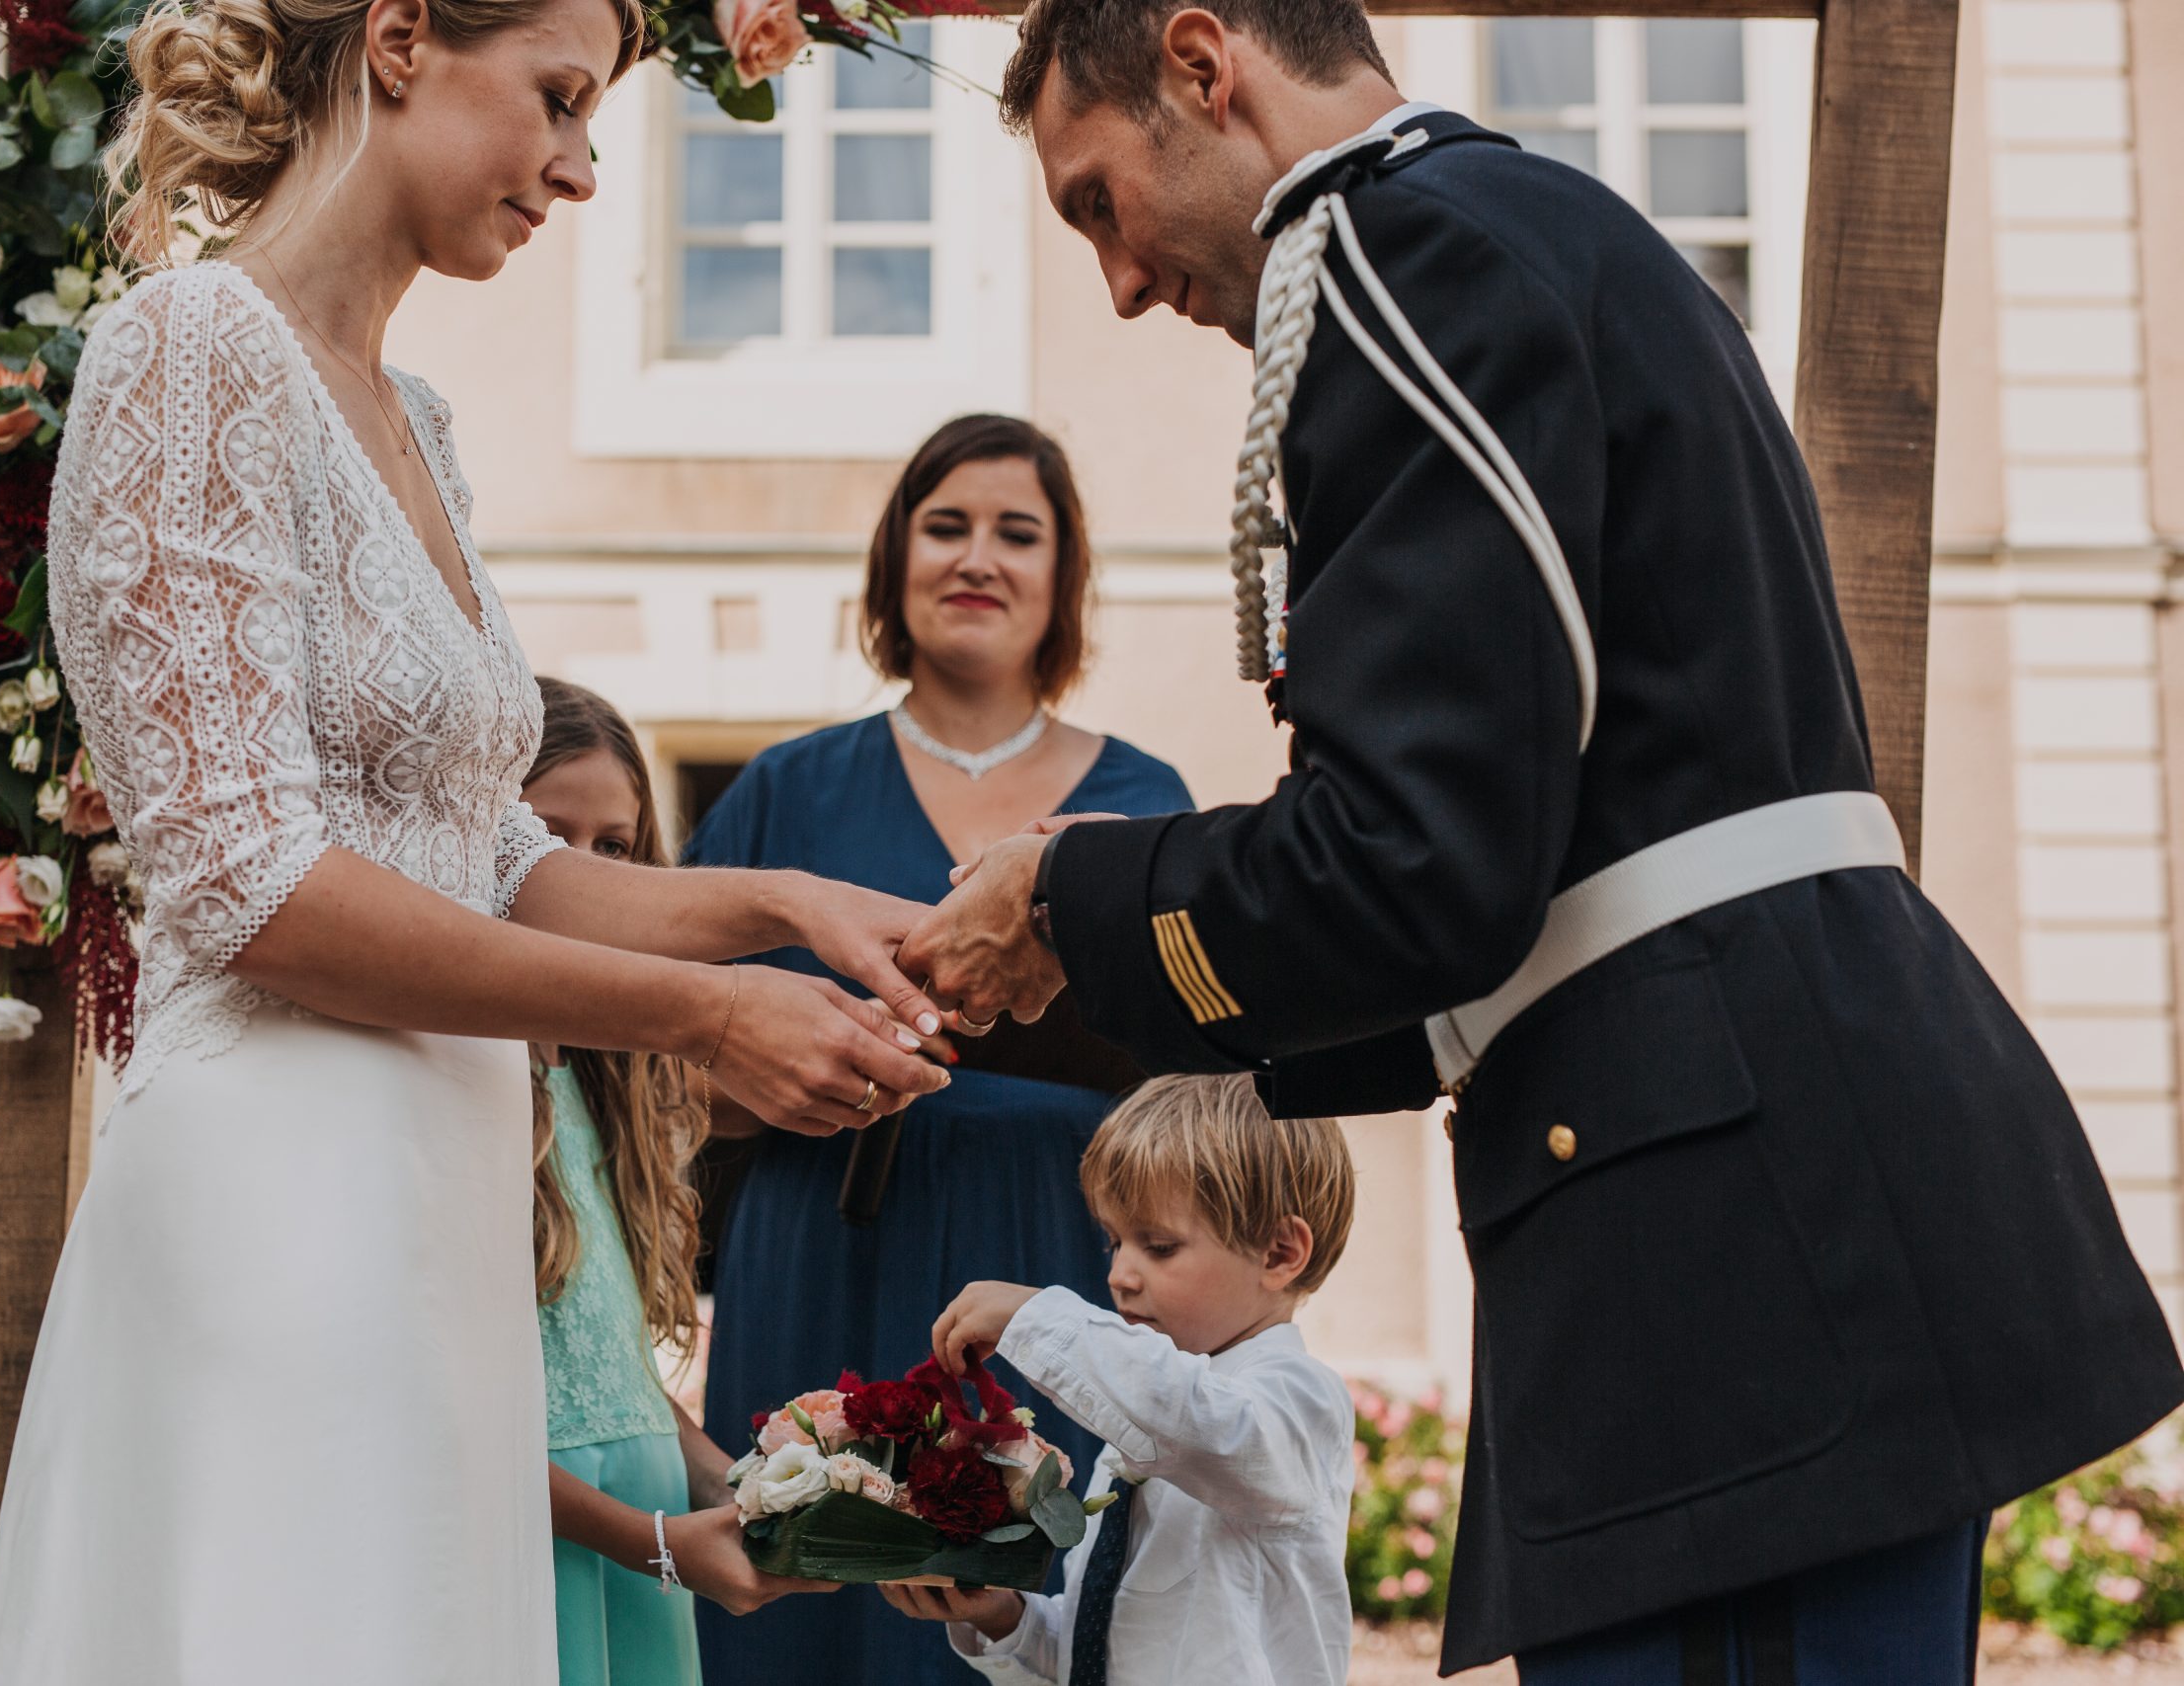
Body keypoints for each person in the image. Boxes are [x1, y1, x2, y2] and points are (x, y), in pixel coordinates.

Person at [899, 1, 2184, 1679]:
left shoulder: (1396, 250)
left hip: (1727, 1226)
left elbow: (1425, 855)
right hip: (1750, 1170)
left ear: (1206, 66)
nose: (1122, 281)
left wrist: (1072, 890)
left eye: (1096, 201)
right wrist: (1101, 957)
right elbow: (1520, 860)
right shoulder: (1517, 233)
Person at [0, 3, 948, 1680]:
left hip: (441, 1207)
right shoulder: (194, 346)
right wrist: (703, 1019)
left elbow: (483, 850)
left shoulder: (414, 418)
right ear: (405, 36)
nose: (578, 167)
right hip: (278, 1191)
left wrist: (778, 906)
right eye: (561, 101)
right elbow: (246, 877)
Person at [683, 414, 1192, 1686]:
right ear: (894, 560)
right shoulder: (785, 793)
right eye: (946, 524)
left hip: (1060, 1257)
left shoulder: (1144, 806)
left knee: (1032, 1610)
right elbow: (655, 1073)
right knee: (808, 1593)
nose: (979, 557)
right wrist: (773, 1078)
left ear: (1062, 579)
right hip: (822, 1247)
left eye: (1018, 532)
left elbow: (1208, 1090)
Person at [526, 679, 841, 1684]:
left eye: (613, 850)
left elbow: (604, 1378)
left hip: (639, 1529)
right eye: (538, 837)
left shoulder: (605, 1084)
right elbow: (443, 1413)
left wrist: (748, 1482)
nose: (585, 880)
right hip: (534, 1542)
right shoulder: (454, 1083)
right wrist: (648, 1539)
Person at [888, 1074, 1359, 1686]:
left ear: (1277, 1253)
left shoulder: (1295, 1399)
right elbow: (1107, 1647)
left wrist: (1040, 1318)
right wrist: (1007, 1620)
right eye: (1114, 1242)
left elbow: (1206, 1426)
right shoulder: (1146, 1424)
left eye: (1159, 1246)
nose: (1119, 1274)